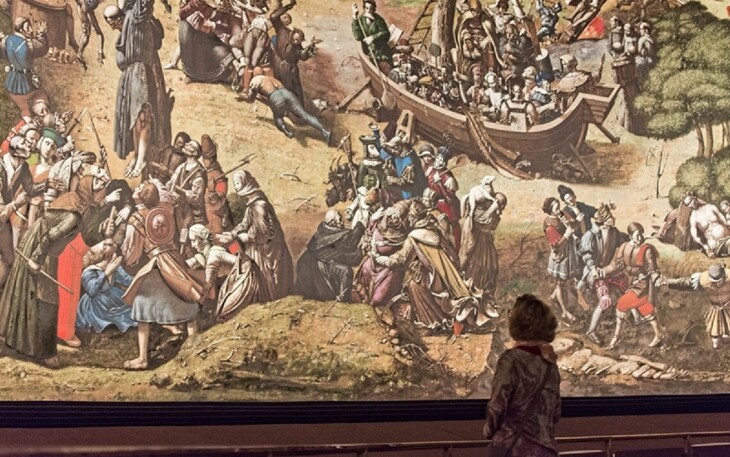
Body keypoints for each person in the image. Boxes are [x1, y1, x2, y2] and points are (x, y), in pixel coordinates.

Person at [0, 175, 107, 368]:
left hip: (42, 247)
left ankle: (27, 346)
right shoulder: (74, 215)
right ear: (87, 189)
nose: (102, 186)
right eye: (97, 183)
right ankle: (44, 353)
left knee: (32, 294)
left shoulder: (80, 206)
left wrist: (103, 231)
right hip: (41, 249)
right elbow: (50, 236)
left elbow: (86, 235)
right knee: (45, 298)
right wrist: (36, 259)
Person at [121, 182, 207, 370]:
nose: (136, 189)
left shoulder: (136, 219)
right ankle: (194, 355)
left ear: (141, 197)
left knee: (143, 308)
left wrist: (126, 259)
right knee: (187, 301)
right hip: (175, 261)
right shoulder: (166, 210)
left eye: (139, 189)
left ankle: (143, 358)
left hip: (156, 264)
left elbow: (132, 253)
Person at [374, 200, 489, 335]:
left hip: (435, 279)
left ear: (414, 217)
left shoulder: (413, 237)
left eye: (410, 216)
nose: (408, 219)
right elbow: (450, 253)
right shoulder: (434, 230)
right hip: (448, 275)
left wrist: (383, 259)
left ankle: (432, 322)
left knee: (414, 286)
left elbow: (400, 259)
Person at [484, 294, 560, 457]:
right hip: (545, 450)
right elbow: (555, 412)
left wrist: (489, 431)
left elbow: (497, 406)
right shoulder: (550, 364)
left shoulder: (511, 360)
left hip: (513, 448)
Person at [106, 0, 173, 179]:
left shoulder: (136, 16)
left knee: (142, 116)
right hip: (130, 75)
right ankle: (138, 155)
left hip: (140, 71)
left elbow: (144, 5)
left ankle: (141, 158)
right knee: (134, 120)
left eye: (113, 21)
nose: (112, 26)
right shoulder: (127, 22)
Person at [215, 170, 293, 299]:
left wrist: (248, 237)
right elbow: (245, 223)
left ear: (246, 183)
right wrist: (232, 234)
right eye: (234, 183)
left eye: (237, 183)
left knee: (261, 276)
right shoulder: (252, 204)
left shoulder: (259, 205)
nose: (236, 187)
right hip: (257, 245)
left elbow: (265, 232)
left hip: (266, 249)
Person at [599, 222, 664, 350]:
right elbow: (615, 265)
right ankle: (660, 334)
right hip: (631, 282)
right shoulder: (624, 247)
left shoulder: (646, 249)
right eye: (637, 235)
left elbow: (652, 268)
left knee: (621, 303)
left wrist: (656, 276)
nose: (640, 237)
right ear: (630, 236)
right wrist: (603, 271)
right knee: (645, 308)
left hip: (643, 285)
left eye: (641, 234)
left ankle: (616, 337)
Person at [186, 224, 269, 321]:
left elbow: (208, 283)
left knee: (223, 314)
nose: (193, 245)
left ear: (202, 239)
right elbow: (236, 252)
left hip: (247, 277)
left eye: (194, 241)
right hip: (244, 273)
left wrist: (200, 300)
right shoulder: (215, 249)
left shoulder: (213, 255)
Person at [578, 203, 628, 345]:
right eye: (610, 216)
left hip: (609, 271)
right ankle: (591, 330)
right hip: (594, 272)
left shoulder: (614, 232)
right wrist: (593, 269)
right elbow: (586, 255)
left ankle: (635, 319)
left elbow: (623, 241)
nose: (613, 218)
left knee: (628, 288)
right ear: (604, 219)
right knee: (605, 301)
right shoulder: (590, 235)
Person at [242, 68, 331, 143]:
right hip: (287, 94)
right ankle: (325, 132)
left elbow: (251, 99)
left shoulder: (255, 80)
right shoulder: (271, 78)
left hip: (275, 96)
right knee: (304, 115)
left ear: (254, 74)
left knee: (278, 117)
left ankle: (287, 132)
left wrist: (248, 97)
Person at [294, 210, 365, 301]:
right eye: (340, 219)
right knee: (346, 271)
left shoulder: (328, 230)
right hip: (316, 267)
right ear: (332, 223)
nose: (342, 221)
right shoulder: (330, 236)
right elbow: (347, 253)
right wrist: (361, 251)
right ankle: (343, 299)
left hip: (322, 262)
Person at [75, 239, 137, 334]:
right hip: (96, 304)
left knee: (136, 309)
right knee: (117, 318)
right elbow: (92, 292)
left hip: (112, 296)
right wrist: (106, 273)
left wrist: (141, 277)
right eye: (110, 255)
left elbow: (126, 280)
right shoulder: (89, 271)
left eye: (113, 254)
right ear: (101, 257)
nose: (114, 257)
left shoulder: (113, 266)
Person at [665, 264, 730, 349]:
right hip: (716, 310)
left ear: (724, 276)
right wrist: (668, 282)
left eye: (719, 281)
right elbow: (686, 283)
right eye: (714, 281)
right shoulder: (703, 279)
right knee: (716, 342)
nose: (717, 284)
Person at [460, 192, 507, 298]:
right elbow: (479, 221)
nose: (502, 208)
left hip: (485, 241)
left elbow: (492, 226)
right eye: (501, 205)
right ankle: (472, 289)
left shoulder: (491, 212)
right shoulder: (478, 210)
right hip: (476, 241)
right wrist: (492, 210)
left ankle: (487, 292)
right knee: (476, 265)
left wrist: (495, 213)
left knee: (493, 265)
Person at [542, 196, 580, 322]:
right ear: (550, 210)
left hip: (568, 252)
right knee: (560, 283)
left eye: (559, 206)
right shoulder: (549, 225)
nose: (559, 210)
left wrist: (575, 222)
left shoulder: (561, 214)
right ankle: (564, 312)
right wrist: (567, 235)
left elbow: (573, 224)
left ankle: (553, 297)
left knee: (564, 280)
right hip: (560, 255)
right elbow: (556, 246)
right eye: (556, 208)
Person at [1, 17, 50, 117]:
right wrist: (41, 33)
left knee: (22, 103)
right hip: (25, 81)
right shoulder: (28, 44)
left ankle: (28, 113)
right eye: (28, 28)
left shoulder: (6, 41)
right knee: (40, 94)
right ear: (21, 30)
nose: (31, 30)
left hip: (11, 82)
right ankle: (41, 112)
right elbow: (42, 47)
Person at [200, 135, 233, 234]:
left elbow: (219, 204)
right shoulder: (204, 173)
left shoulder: (220, 177)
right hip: (204, 216)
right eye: (203, 158)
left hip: (216, 218)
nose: (203, 161)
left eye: (205, 159)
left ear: (211, 159)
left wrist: (212, 191)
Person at [352, 0, 392, 73]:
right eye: (367, 8)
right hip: (370, 51)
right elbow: (358, 36)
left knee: (389, 67)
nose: (369, 10)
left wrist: (373, 37)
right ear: (364, 8)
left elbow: (386, 33)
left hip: (382, 50)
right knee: (385, 68)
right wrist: (354, 16)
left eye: (371, 8)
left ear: (374, 8)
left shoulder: (378, 19)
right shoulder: (360, 20)